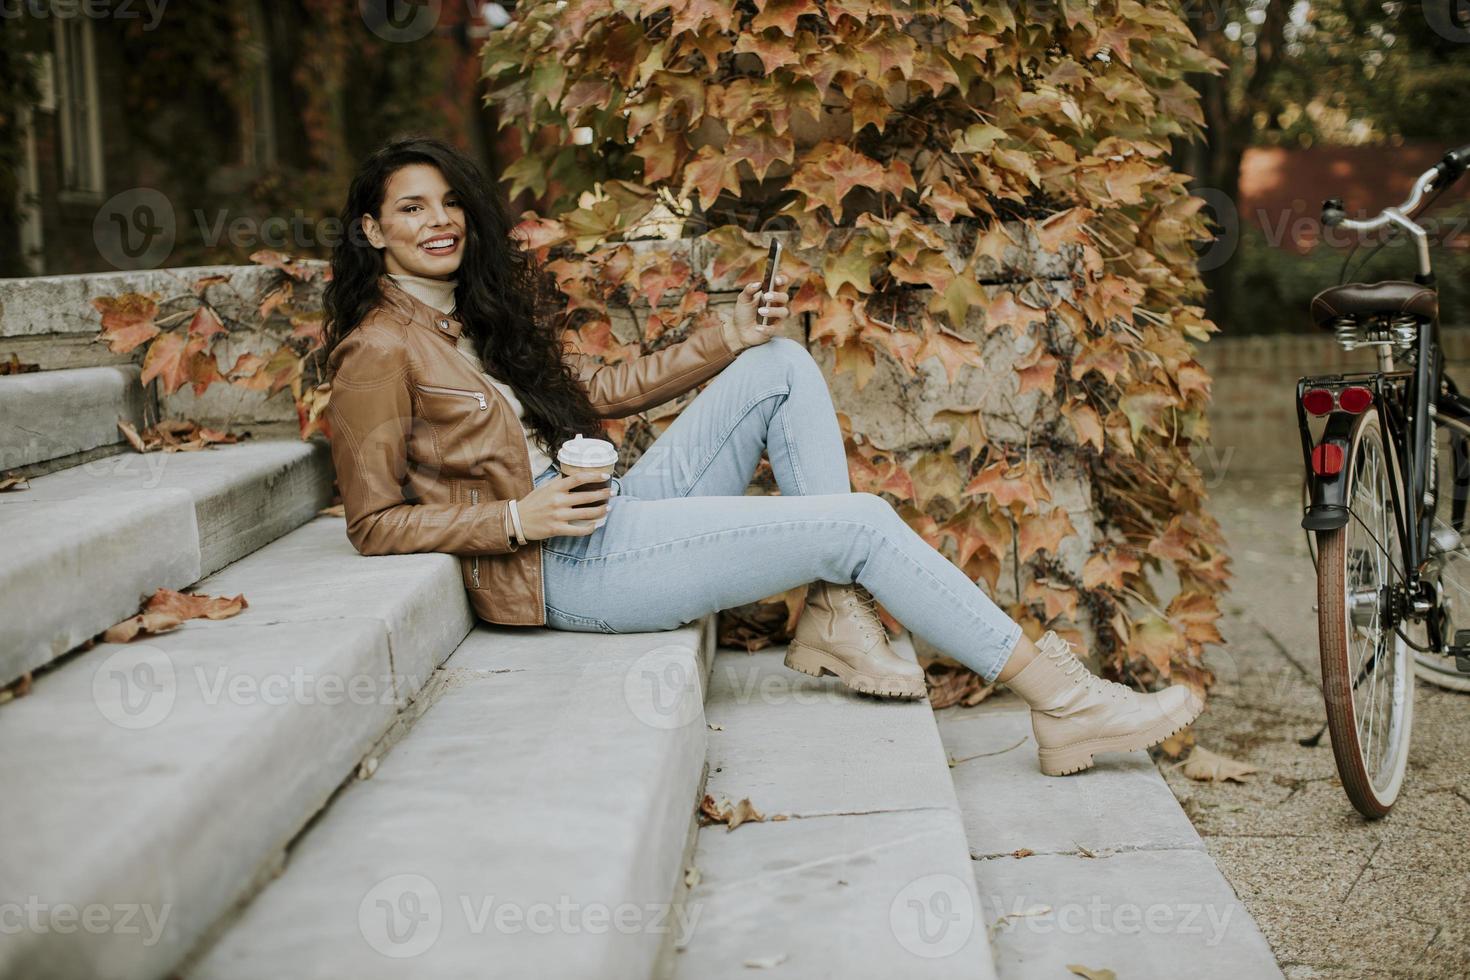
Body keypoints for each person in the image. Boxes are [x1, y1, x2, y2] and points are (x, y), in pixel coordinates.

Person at [322, 136, 1202, 776]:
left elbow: (600, 386)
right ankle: (1064, 702)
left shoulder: (467, 319)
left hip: (601, 510)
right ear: (371, 229)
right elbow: (372, 523)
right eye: (411, 208)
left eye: (447, 203)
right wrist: (516, 518)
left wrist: (730, 332)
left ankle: (831, 611)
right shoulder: (377, 351)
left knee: (775, 363)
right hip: (560, 565)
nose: (439, 221)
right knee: (859, 521)